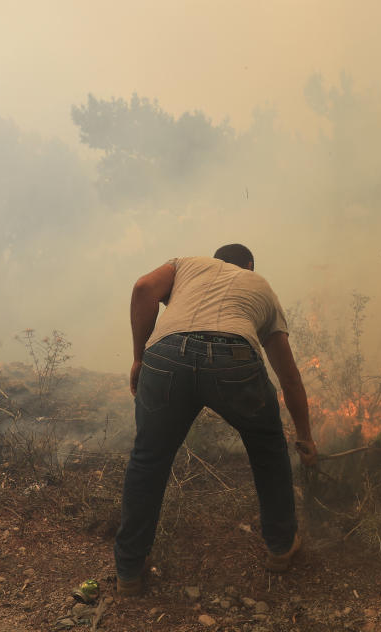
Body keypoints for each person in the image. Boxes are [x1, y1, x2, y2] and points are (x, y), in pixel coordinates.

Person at [114, 243, 317, 596]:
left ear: (215, 259)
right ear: (249, 265)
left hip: (166, 357)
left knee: (147, 460)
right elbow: (290, 378)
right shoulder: (261, 287)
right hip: (233, 356)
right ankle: (281, 548)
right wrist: (305, 437)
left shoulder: (187, 265)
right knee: (269, 451)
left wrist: (138, 358)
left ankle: (129, 571)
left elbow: (143, 289)